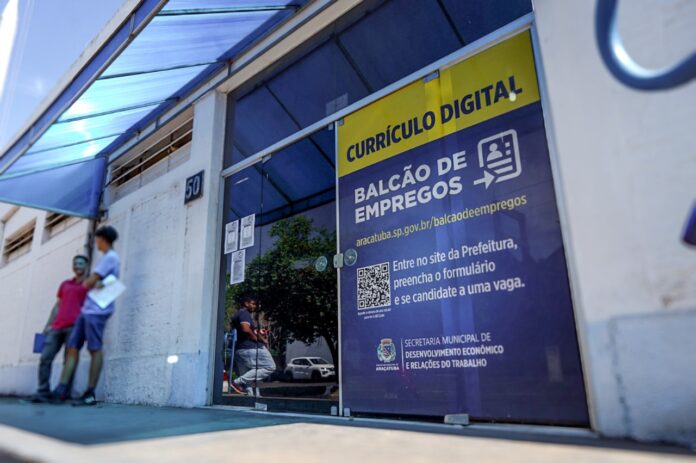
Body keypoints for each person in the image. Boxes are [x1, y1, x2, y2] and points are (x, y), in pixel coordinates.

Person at [53, 226, 120, 405]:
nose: (96, 243)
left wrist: (92, 282)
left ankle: (90, 394)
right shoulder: (107, 258)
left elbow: (88, 283)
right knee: (73, 347)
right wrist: (94, 283)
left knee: (94, 348)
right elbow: (93, 283)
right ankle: (61, 389)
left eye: (97, 239)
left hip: (97, 311)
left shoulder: (110, 257)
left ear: (103, 239)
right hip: (87, 310)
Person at [31, 255, 90, 402]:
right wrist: (48, 325)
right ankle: (43, 391)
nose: (77, 266)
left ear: (86, 266)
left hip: (75, 328)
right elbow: (58, 305)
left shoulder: (88, 285)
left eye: (81, 263)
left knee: (68, 361)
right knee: (45, 358)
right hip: (56, 327)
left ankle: (64, 394)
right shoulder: (65, 284)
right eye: (75, 263)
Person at [229, 294, 276, 395]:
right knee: (270, 367)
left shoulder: (237, 314)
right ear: (246, 304)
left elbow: (250, 330)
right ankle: (237, 382)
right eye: (253, 304)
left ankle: (250, 397)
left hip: (240, 350)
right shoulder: (244, 313)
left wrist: (263, 339)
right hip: (249, 348)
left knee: (248, 379)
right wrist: (255, 338)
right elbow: (246, 329)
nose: (255, 306)